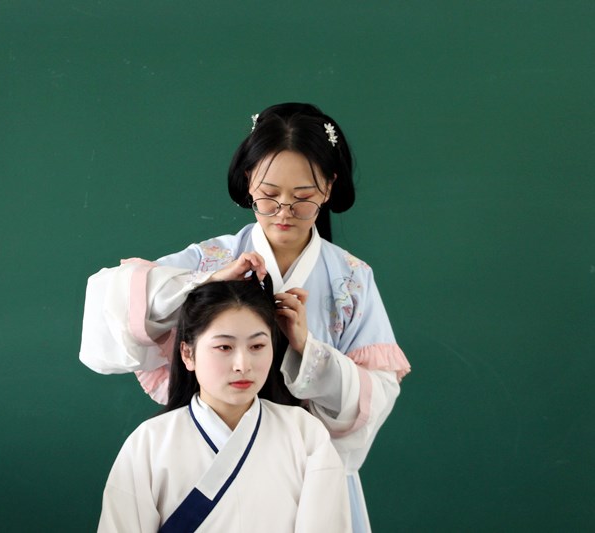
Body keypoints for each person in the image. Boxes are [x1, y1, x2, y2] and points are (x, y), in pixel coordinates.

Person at [81, 102, 410, 532]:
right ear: (248, 180)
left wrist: (308, 352)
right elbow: (111, 303)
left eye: (303, 198)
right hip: (202, 457)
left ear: (329, 188)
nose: (284, 212)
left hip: (305, 470)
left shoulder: (352, 279)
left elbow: (375, 396)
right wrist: (206, 282)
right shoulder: (213, 258)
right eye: (268, 196)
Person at [97, 276, 350, 532]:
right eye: (224, 347)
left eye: (257, 346)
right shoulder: (149, 443)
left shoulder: (305, 434)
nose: (243, 365)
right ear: (188, 354)